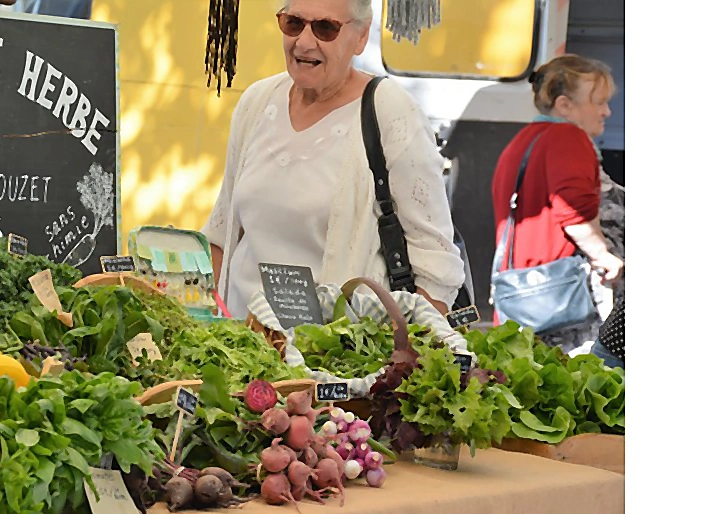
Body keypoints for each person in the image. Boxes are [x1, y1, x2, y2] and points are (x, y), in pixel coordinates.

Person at [202, 0, 465, 320]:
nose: (304, 42)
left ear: (361, 36)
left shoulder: (391, 112)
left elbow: (435, 263)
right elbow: (221, 236)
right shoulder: (256, 103)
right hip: (244, 350)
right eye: (293, 23)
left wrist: (406, 356)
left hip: (337, 362)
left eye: (325, 28)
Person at [490, 54, 623, 354]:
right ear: (565, 105)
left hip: (523, 293)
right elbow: (573, 213)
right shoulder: (568, 138)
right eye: (598, 102)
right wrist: (604, 256)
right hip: (560, 300)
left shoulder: (524, 140)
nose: (606, 111)